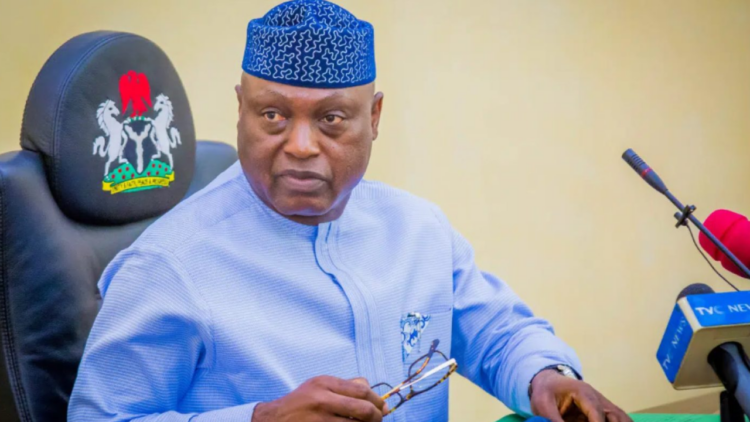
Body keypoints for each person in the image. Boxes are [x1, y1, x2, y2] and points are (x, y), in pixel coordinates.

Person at [68, 1, 631, 421]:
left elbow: (499, 336)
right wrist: (260, 420)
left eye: (331, 119)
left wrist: (547, 376)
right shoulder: (169, 265)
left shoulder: (418, 231)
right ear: (240, 109)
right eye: (272, 116)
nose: (301, 146)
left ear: (374, 118)